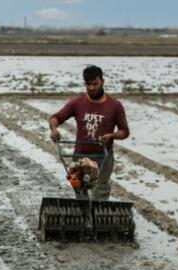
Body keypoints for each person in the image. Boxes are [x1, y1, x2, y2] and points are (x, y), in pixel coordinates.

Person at [48, 65, 130, 201]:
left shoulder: (115, 105)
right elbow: (55, 118)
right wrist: (54, 129)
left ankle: (98, 218)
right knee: (79, 189)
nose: (91, 88)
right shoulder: (77, 103)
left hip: (103, 155)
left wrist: (112, 135)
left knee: (100, 190)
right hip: (81, 154)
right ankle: (83, 217)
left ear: (102, 82)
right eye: (88, 84)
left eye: (95, 84)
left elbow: (124, 131)